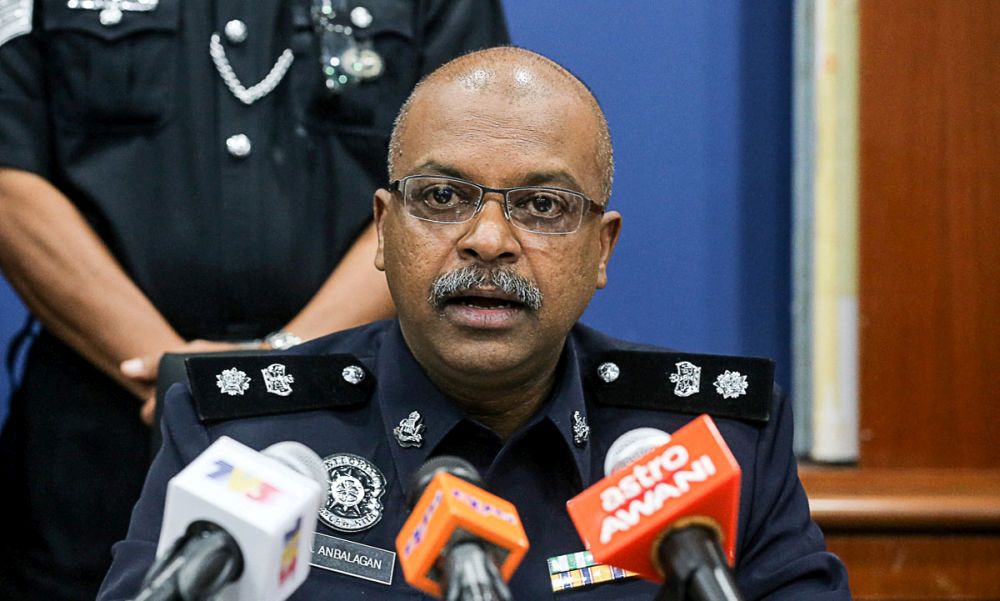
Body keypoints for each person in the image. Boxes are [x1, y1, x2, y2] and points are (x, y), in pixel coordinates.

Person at [97, 47, 852, 600]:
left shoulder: (713, 445)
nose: (488, 240)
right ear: (384, 231)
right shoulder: (245, 438)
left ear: (601, 250)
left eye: (543, 205)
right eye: (442, 197)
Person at [0, 2, 508, 600]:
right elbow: (10, 176)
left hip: (360, 415)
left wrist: (280, 371)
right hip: (98, 431)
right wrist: (176, 377)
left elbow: (463, 182)